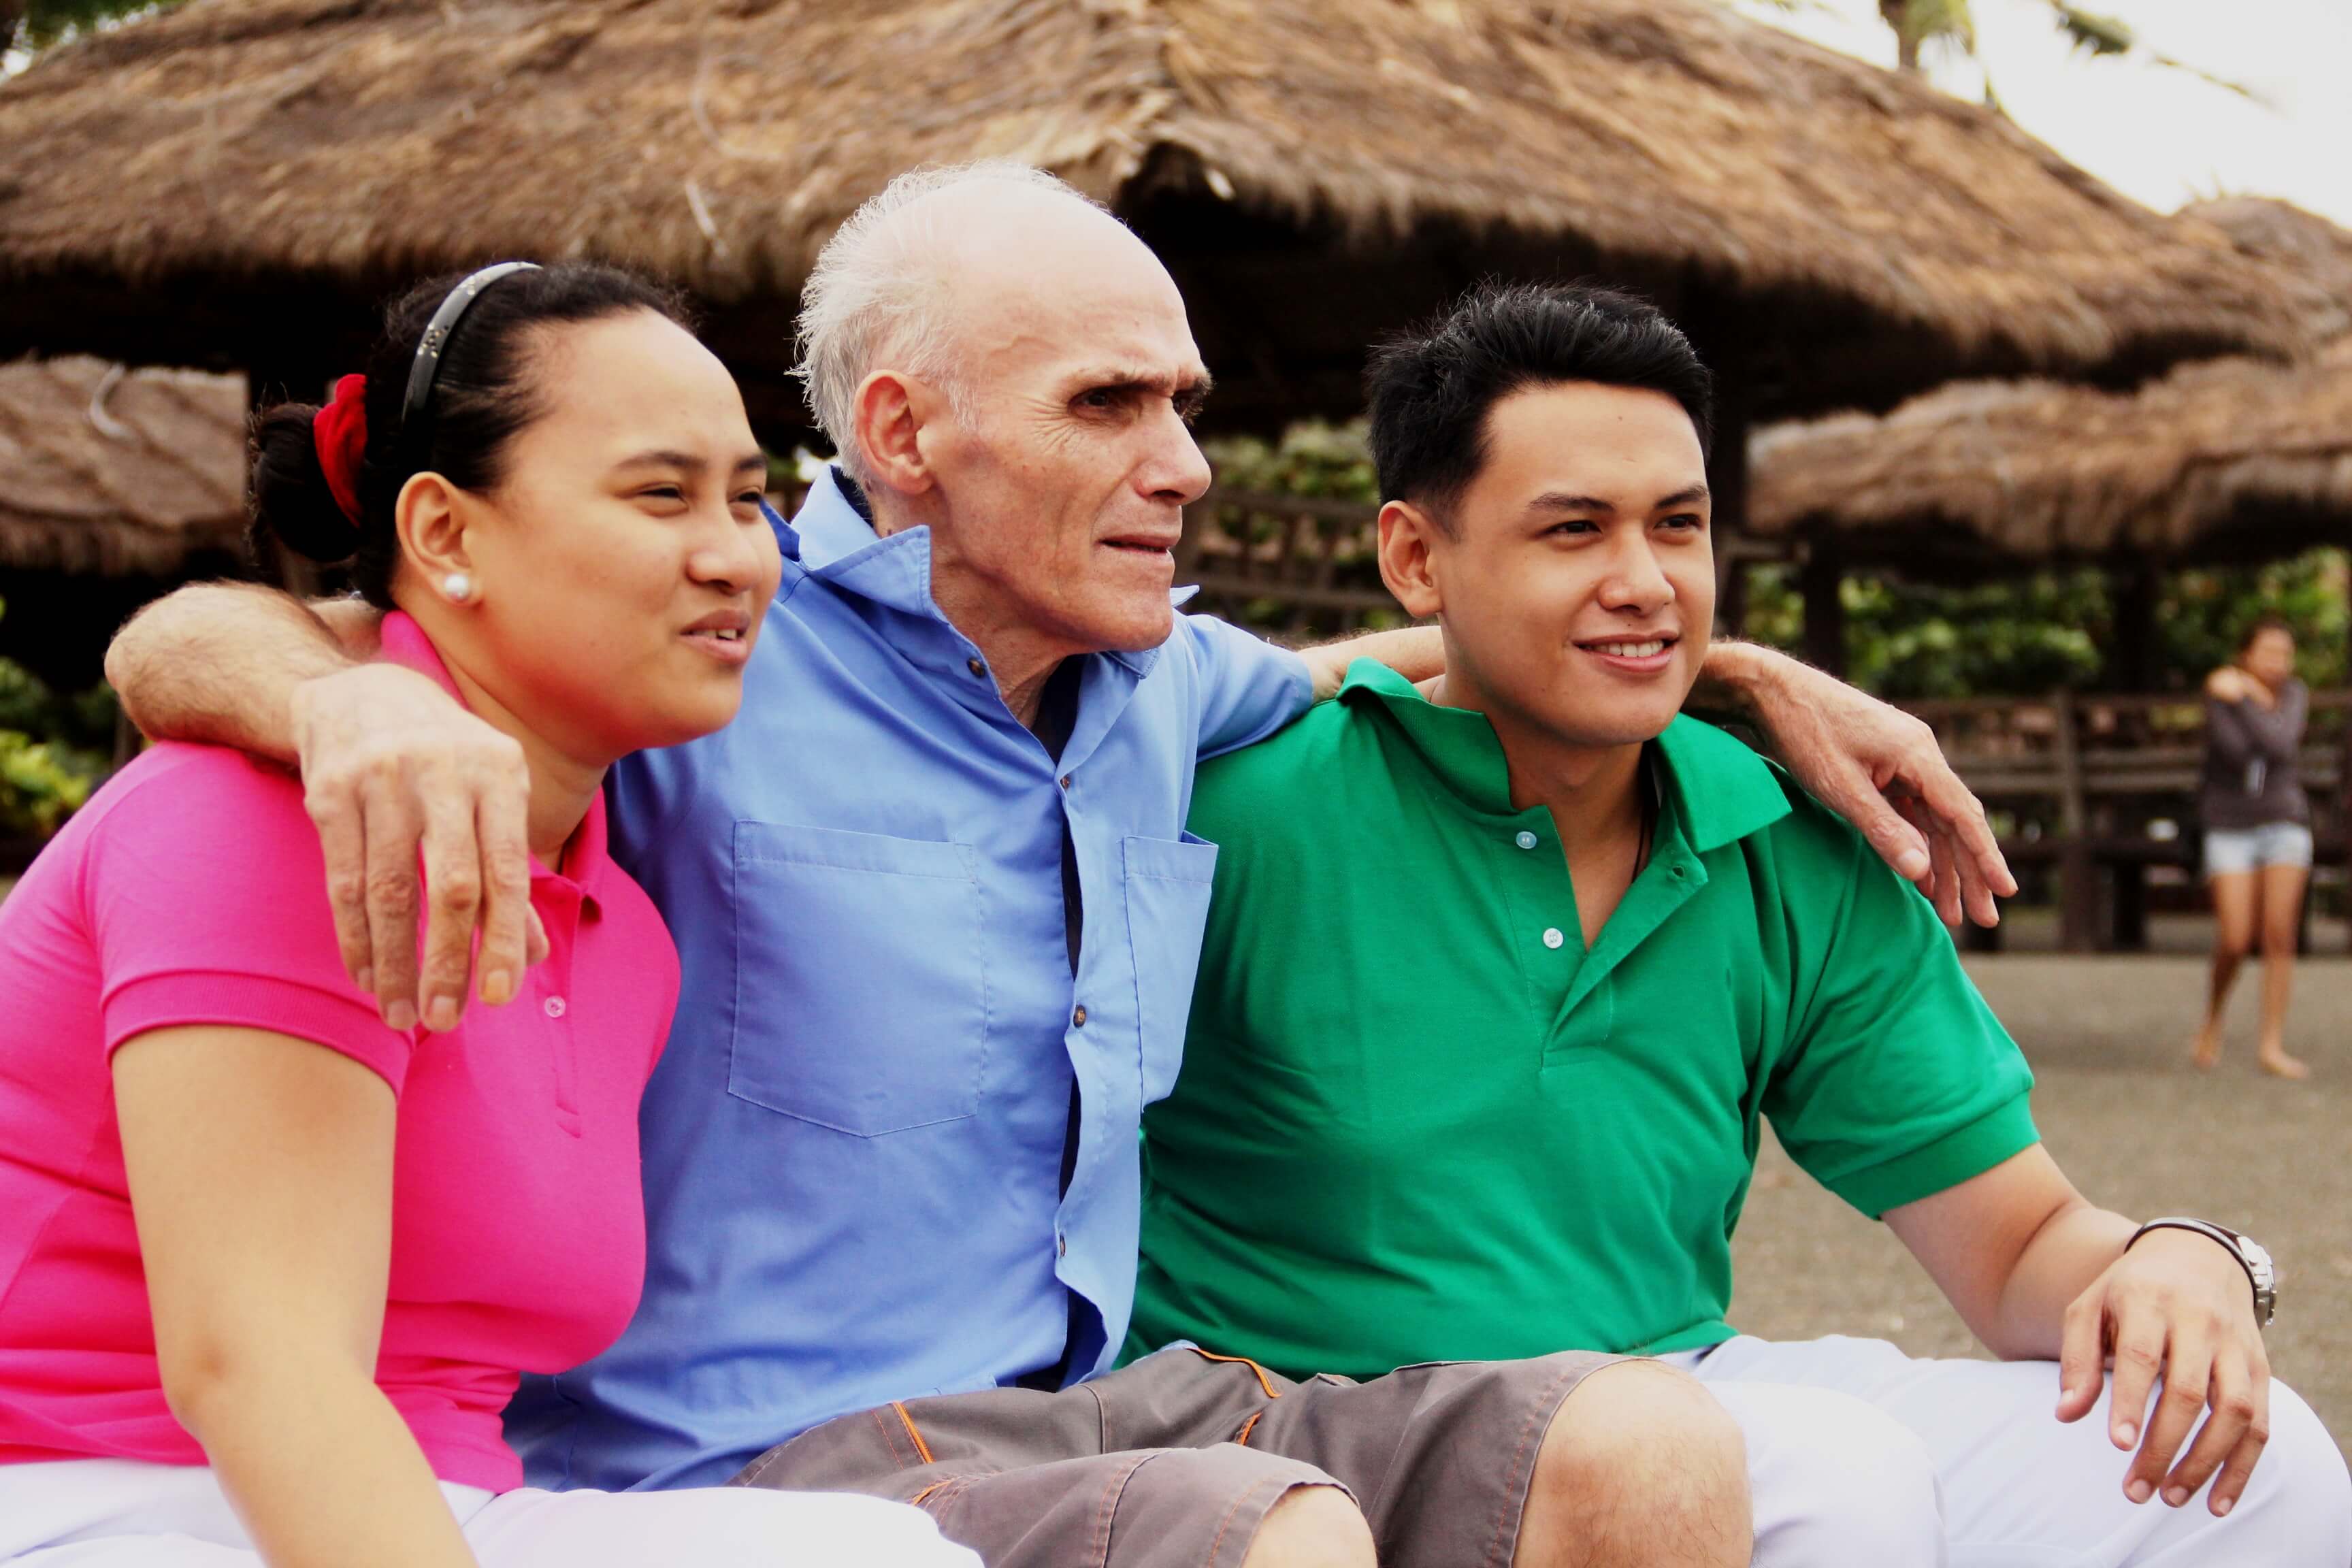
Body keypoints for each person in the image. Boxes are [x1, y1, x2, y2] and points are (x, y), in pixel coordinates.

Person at [105, 164, 2014, 1567]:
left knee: (1648, 1443)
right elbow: (233, 645)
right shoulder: (700, 652)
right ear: (902, 435)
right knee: (1270, 1540)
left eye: (1182, 399)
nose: (1183, 459)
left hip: (1107, 1390)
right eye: (1111, 405)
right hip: (772, 1452)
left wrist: (1735, 670)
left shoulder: (1166, 681)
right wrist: (337, 708)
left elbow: (1414, 650)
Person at [1128, 283, 2352, 1568]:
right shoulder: (1235, 814)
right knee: (1838, 1480)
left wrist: (2180, 1258)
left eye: (1679, 525)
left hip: (1675, 1371)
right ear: (1415, 558)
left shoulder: (1781, 841)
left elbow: (2021, 1245)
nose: (1645, 583)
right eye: (1573, 530)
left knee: (2256, 1465)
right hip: (1312, 1423)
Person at [0, 264, 972, 1567]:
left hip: (437, 1500)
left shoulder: (626, 931)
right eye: (659, 491)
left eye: (748, 497)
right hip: (90, 1494)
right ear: (446, 536)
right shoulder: (266, 816)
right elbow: (256, 1363)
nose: (733, 552)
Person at [2191, 617, 2315, 1079]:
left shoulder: (2292, 693)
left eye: (2285, 654)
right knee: (2236, 935)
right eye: (2268, 653)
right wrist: (2251, 704)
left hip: (2285, 821)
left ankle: (2272, 1044)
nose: (2278, 663)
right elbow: (2236, 751)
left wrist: (2244, 697)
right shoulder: (2217, 693)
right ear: (2246, 653)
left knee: (2279, 934)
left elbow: (2281, 744)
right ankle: (2213, 1017)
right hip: (2230, 823)